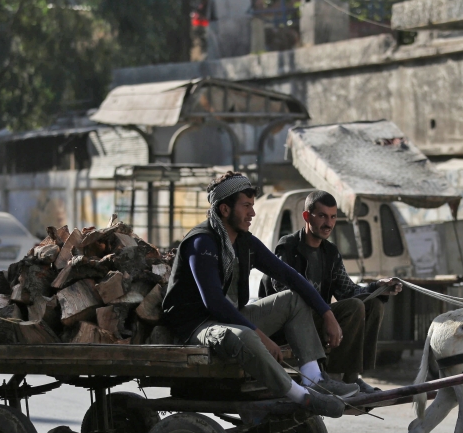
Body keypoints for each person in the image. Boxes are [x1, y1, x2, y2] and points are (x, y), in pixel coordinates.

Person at [162, 172, 359, 418]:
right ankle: (302, 397)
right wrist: (260, 335)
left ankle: (314, 378)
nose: (252, 213)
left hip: (229, 317)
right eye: (246, 206)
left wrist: (326, 312)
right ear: (225, 209)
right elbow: (213, 302)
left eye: (252, 206)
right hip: (196, 326)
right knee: (244, 335)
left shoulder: (245, 242)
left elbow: (291, 277)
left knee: (293, 298)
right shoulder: (202, 242)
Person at [260, 190, 402, 394]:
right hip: (288, 327)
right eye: (322, 216)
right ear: (307, 217)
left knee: (373, 304)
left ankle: (352, 377)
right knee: (354, 307)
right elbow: (284, 295)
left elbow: (348, 290)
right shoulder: (288, 248)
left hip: (318, 320)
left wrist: (378, 287)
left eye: (333, 217)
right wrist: (326, 314)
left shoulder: (330, 252)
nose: (329, 223)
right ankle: (334, 376)